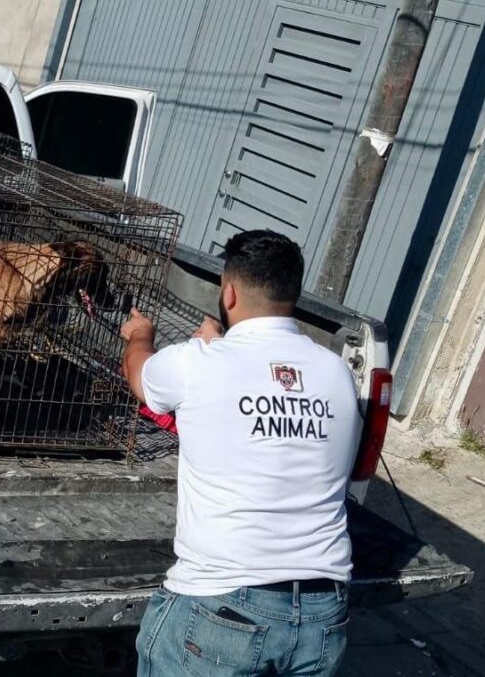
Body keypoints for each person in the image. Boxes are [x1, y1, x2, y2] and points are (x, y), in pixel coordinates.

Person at [122, 230, 360, 677]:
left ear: (228, 292)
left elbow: (140, 374)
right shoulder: (337, 373)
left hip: (225, 604)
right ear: (292, 293)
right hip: (323, 615)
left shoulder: (196, 364)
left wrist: (141, 334)